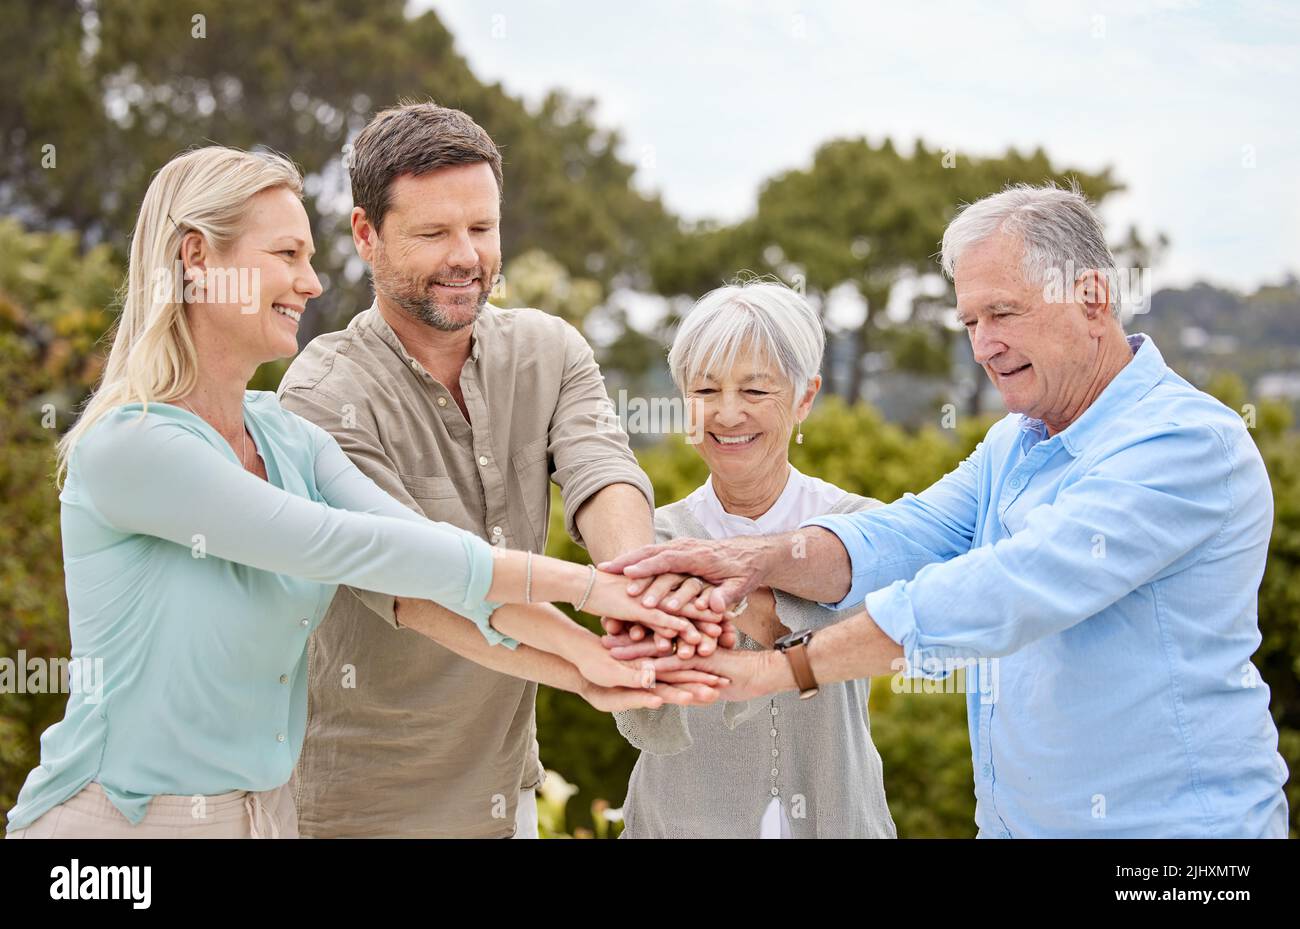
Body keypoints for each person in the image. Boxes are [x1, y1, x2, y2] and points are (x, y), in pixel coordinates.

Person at [4, 146, 709, 839]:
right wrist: (590, 592)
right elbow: (355, 547)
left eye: (308, 257)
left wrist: (588, 666)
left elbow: (427, 557)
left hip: (261, 819)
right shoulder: (134, 445)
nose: (311, 283)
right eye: (286, 255)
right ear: (197, 258)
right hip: (115, 826)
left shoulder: (287, 438)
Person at [605, 183, 1291, 838]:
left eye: (1003, 313)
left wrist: (786, 667)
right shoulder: (1013, 444)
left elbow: (1009, 587)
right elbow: (905, 535)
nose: (983, 345)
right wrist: (750, 558)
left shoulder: (1183, 443)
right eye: (970, 322)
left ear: (1092, 297)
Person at [277, 102, 727, 838]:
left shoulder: (551, 351)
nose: (466, 256)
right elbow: (415, 583)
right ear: (365, 234)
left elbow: (603, 474)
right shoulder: (322, 393)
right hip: (354, 807)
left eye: (482, 229)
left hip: (504, 791)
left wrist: (637, 592)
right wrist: (591, 650)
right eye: (433, 233)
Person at [610, 280, 896, 838]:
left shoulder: (860, 527)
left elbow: (903, 639)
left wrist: (731, 597)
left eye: (756, 390)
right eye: (705, 390)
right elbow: (636, 695)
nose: (727, 413)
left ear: (805, 397)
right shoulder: (650, 537)